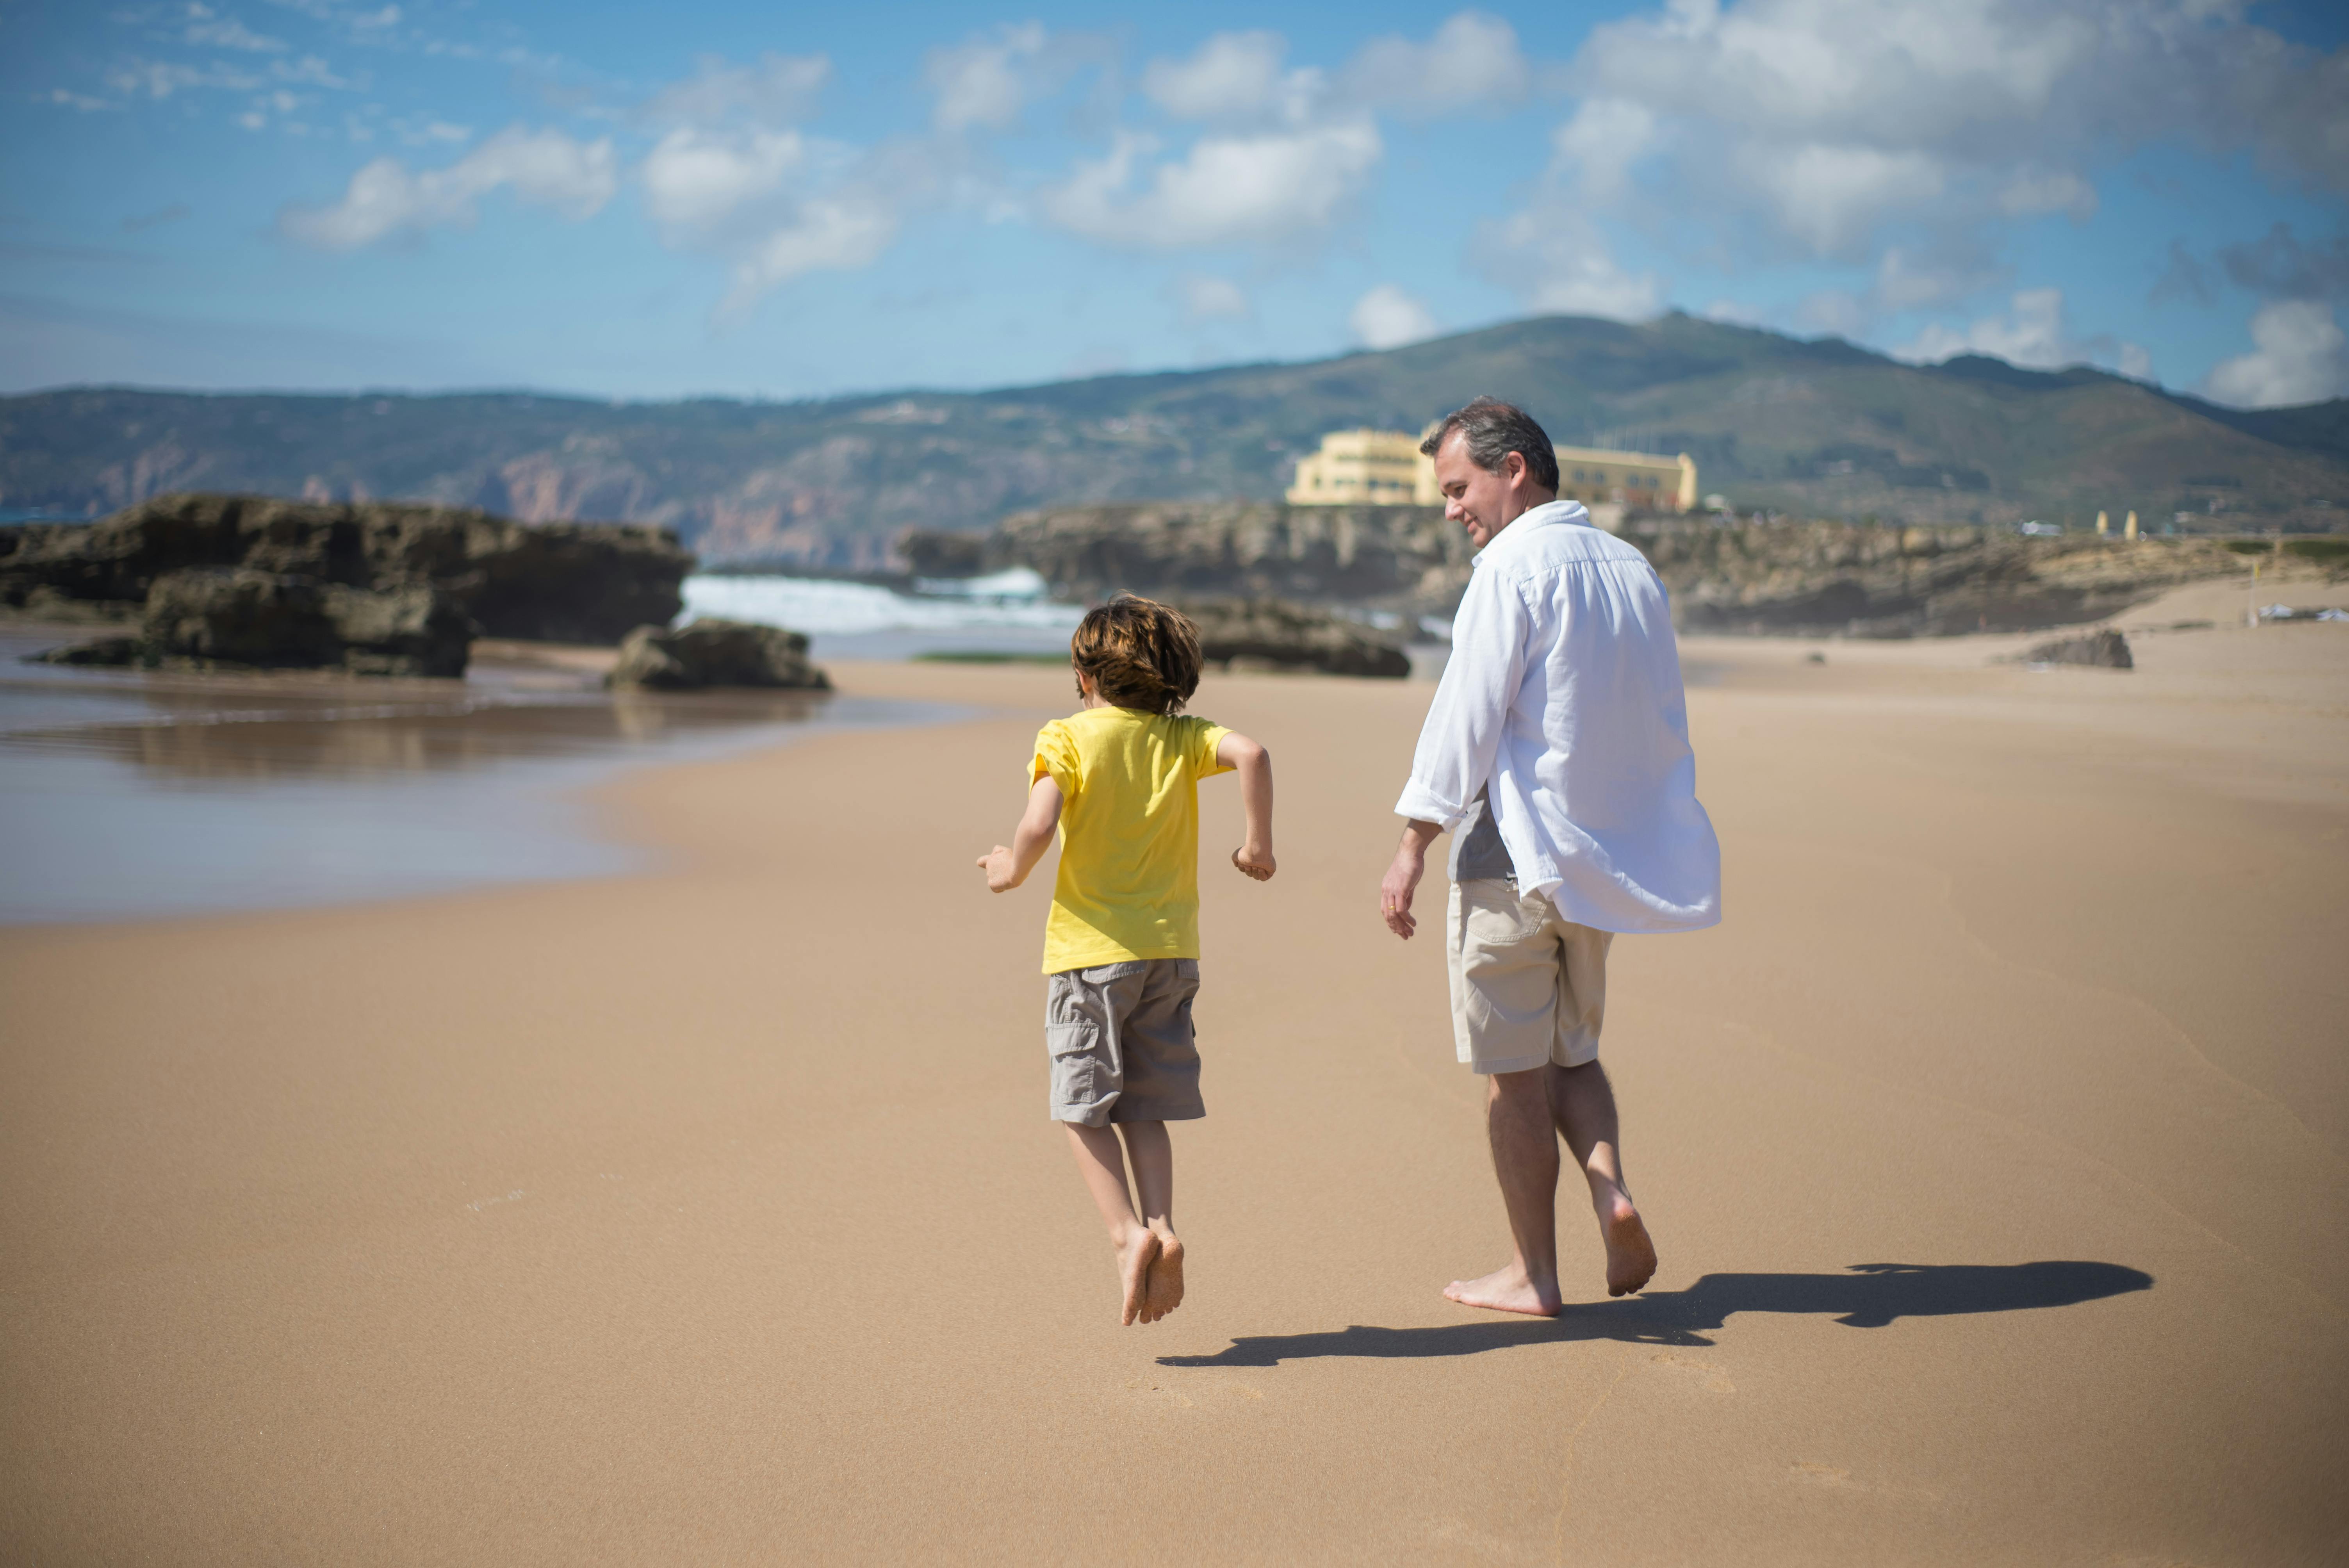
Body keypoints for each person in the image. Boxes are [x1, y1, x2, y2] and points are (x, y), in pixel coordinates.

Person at [1380, 398, 1721, 1317]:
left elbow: (1466, 712)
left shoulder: (1510, 566)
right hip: (1600, 859)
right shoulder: (1629, 567)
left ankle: (1535, 1273)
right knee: (1575, 1053)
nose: (1452, 510)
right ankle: (1608, 1185)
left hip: (1509, 854)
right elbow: (1654, 717)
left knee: (1512, 1076)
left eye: (1459, 488)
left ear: (1513, 469)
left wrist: (1413, 841)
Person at [978, 594, 1276, 1326]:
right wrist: (1257, 845)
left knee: (1081, 1106)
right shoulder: (1182, 739)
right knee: (1145, 1105)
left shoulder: (1070, 737)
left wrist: (1006, 870)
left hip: (1089, 956)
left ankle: (1126, 1236)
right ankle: (1165, 1226)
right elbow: (1253, 753)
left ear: (1087, 675)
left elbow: (1040, 822)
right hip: (1171, 954)